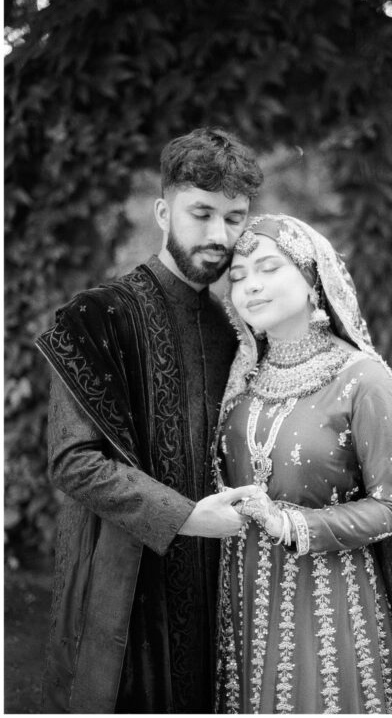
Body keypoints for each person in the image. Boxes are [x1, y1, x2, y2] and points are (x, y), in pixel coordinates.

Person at [35, 127, 265, 712]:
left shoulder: (238, 332)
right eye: (201, 212)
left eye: (235, 218)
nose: (219, 235)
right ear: (164, 212)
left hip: (222, 586)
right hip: (124, 587)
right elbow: (73, 462)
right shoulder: (97, 317)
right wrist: (186, 518)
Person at [212, 214, 392, 713]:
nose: (250, 285)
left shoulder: (363, 380)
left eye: (269, 268)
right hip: (245, 594)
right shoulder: (240, 382)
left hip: (332, 598)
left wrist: (290, 522)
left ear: (313, 279)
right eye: (238, 276)